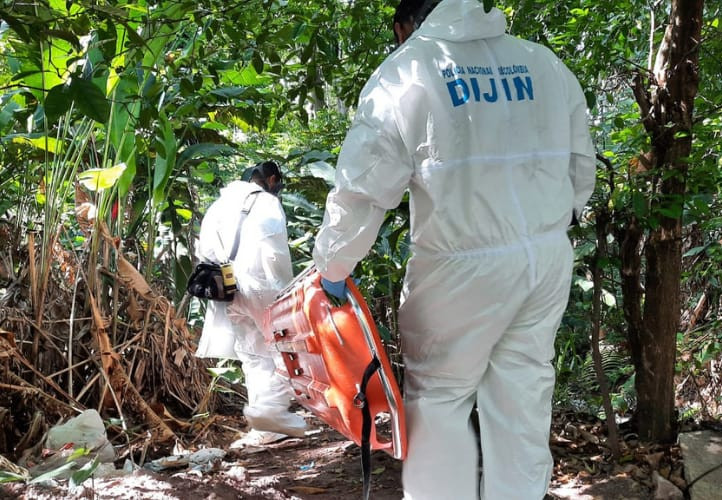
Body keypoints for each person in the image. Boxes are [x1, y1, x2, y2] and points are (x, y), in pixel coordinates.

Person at [312, 0, 596, 498]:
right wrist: (555, 221)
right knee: (523, 395)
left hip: (458, 267)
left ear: (406, 24)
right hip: (545, 259)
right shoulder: (545, 65)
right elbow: (580, 167)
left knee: (441, 401)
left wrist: (332, 264)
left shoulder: (407, 72)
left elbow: (362, 190)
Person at [196, 161, 307, 446]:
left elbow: (204, 251)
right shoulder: (268, 204)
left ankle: (265, 429)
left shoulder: (219, 206)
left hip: (227, 288)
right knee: (286, 348)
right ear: (271, 180)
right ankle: (269, 411)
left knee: (253, 355)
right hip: (263, 285)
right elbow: (275, 253)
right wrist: (285, 291)